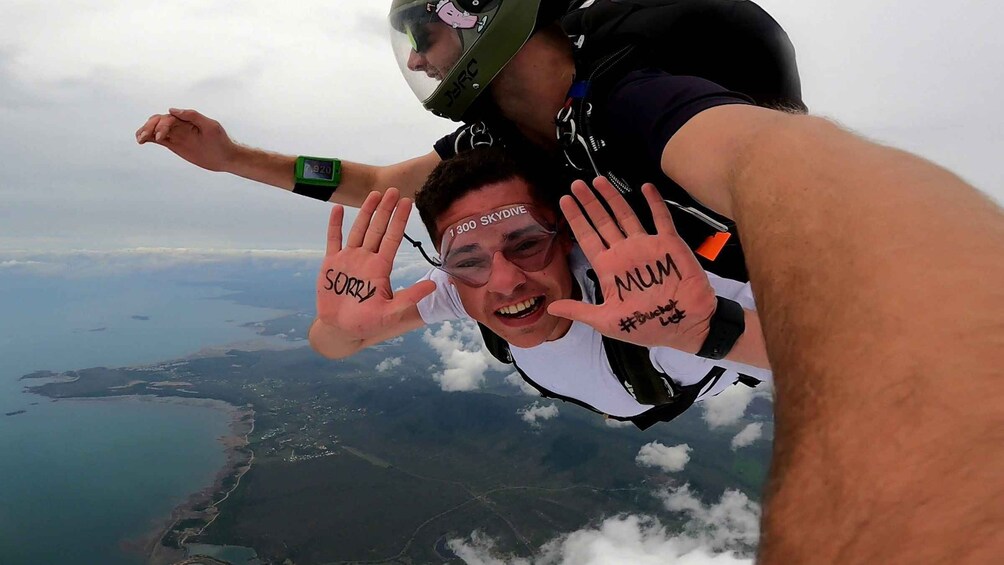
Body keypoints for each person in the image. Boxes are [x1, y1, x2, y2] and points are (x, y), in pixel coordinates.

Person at [136, 0, 804, 281]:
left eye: (424, 38)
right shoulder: (503, 135)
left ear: (478, 13)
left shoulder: (634, 96)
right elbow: (372, 187)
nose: (420, 63)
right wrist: (231, 160)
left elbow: (776, 178)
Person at [310, 147, 772, 429]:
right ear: (447, 270)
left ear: (567, 236)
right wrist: (342, 325)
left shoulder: (661, 302)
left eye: (528, 243)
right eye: (467, 258)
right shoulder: (457, 288)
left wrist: (702, 332)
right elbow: (332, 345)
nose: (505, 280)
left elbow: (830, 359)